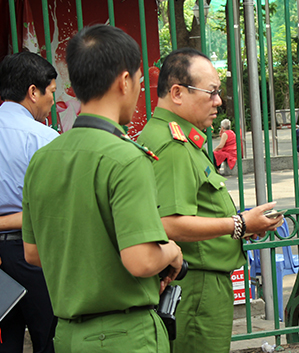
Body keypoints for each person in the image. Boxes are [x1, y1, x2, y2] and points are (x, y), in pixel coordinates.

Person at [22, 25, 183, 353]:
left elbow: (33, 253)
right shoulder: (125, 156)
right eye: (139, 81)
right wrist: (172, 251)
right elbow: (140, 260)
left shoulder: (43, 158)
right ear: (125, 81)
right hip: (126, 335)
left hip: (66, 335)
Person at [137, 47, 282, 353]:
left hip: (195, 280)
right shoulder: (174, 144)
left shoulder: (178, 137)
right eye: (212, 92)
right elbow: (170, 223)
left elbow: (194, 208)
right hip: (196, 286)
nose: (219, 102)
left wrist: (241, 224)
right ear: (177, 92)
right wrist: (239, 224)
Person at [0, 51, 58, 353]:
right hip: (34, 251)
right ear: (33, 92)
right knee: (48, 337)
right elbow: (57, 209)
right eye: (51, 92)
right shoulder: (44, 138)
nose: (52, 101)